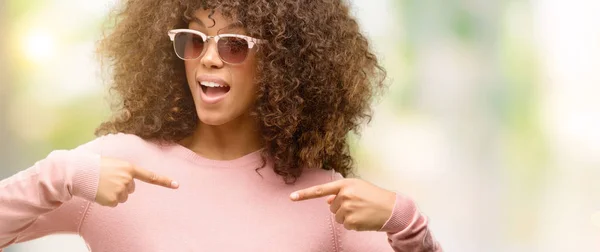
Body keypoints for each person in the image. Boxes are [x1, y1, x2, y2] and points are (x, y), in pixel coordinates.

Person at [0, 0, 442, 251]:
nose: (208, 57)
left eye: (234, 44)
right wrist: (59, 175)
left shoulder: (323, 199)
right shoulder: (115, 165)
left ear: (285, 62)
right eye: (194, 39)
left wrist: (407, 223)